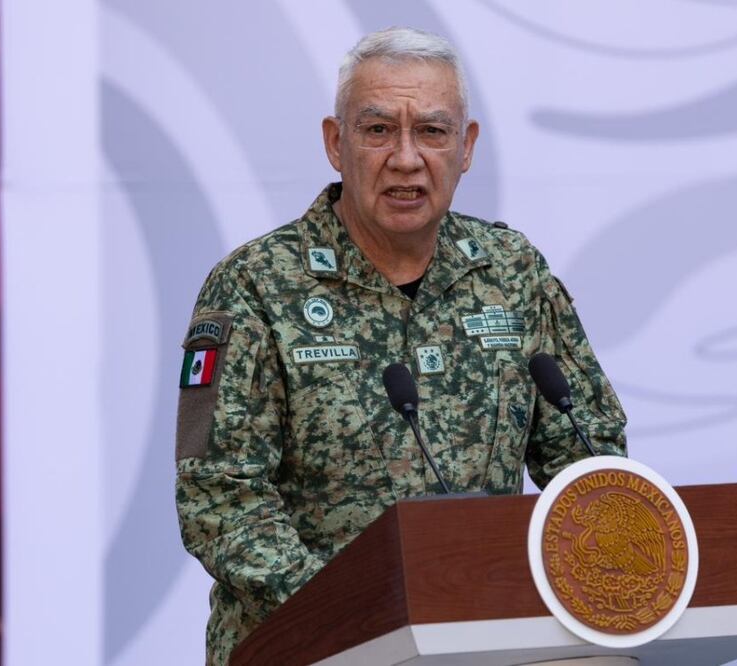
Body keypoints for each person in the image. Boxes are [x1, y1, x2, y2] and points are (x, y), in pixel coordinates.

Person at [175, 27, 627, 666]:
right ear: (337, 143)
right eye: (379, 130)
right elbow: (218, 499)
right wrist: (358, 615)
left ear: (466, 148)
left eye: (433, 132)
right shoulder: (252, 285)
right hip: (312, 646)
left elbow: (587, 453)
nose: (407, 158)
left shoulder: (512, 272)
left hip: (489, 642)